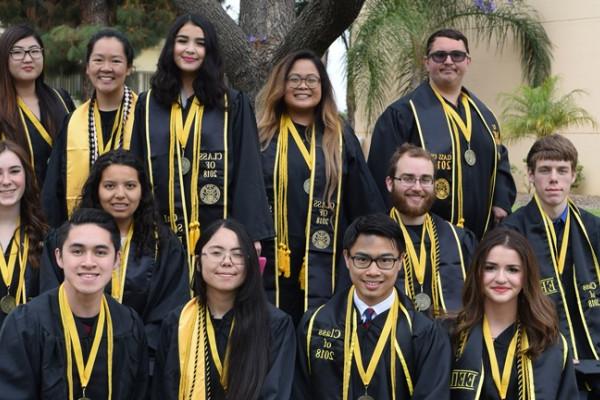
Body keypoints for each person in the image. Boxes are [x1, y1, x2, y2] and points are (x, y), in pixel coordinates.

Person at [131, 14, 272, 266]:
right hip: (158, 230)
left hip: (219, 230)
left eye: (200, 43)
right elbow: (136, 167)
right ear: (171, 47)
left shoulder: (231, 103)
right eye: (182, 41)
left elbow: (247, 168)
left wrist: (249, 232)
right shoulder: (148, 104)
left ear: (210, 51)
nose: (190, 49)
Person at [256, 49, 385, 323]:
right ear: (281, 85)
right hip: (276, 262)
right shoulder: (263, 137)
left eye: (312, 80)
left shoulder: (340, 137)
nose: (303, 86)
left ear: (323, 87)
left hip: (330, 263)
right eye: (294, 79)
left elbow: (364, 201)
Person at [40, 149, 190, 367]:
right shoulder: (66, 239)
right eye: (110, 186)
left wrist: (132, 348)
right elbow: (51, 299)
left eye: (130, 186)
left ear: (142, 191)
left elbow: (168, 312)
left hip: (140, 363)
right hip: (71, 357)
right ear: (96, 190)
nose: (120, 194)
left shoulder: (164, 245)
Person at [368, 28, 516, 239]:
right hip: (419, 241)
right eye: (440, 55)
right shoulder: (403, 114)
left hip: (480, 238)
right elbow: (380, 179)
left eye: (457, 55)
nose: (449, 61)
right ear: (427, 62)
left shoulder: (484, 116)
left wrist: (501, 201)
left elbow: (499, 161)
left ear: (468, 62)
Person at [294, 214, 451, 399]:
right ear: (347, 258)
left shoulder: (424, 334)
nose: (373, 272)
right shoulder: (315, 326)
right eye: (362, 259)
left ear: (400, 261)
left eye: (385, 261)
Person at [0, 208, 148, 399]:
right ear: (59, 257)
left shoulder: (129, 325)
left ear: (116, 260)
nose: (88, 262)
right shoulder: (25, 324)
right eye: (77, 251)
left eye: (100, 252)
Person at [153, 219, 295, 400]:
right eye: (216, 253)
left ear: (250, 264)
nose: (227, 261)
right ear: (198, 263)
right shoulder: (177, 323)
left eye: (237, 254)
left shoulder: (275, 325)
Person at [502, 134, 600, 397]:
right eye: (545, 170)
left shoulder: (594, 229)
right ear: (531, 175)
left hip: (595, 353)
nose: (553, 178)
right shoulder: (511, 232)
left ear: (573, 176)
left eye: (562, 170)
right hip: (538, 354)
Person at [451, 228, 578, 399]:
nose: (501, 278)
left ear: (526, 276)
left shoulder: (549, 343)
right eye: (490, 268)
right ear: (477, 273)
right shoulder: (452, 336)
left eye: (512, 270)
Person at [43, 28, 138, 227]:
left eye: (116, 61)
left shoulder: (145, 116)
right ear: (87, 67)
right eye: (98, 60)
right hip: (83, 238)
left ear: (129, 67)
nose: (106, 68)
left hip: (138, 236)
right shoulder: (72, 122)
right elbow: (54, 191)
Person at [386, 143, 476, 315]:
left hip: (450, 339)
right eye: (408, 178)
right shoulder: (371, 239)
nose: (417, 187)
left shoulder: (459, 240)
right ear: (390, 183)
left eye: (425, 179)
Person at [0, 24, 75, 185]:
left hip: (62, 203)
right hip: (16, 201)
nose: (28, 59)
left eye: (34, 51)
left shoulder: (61, 99)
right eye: (18, 52)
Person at [0, 140, 47, 327]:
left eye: (14, 171)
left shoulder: (46, 237)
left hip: (28, 346)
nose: (6, 181)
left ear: (27, 176)